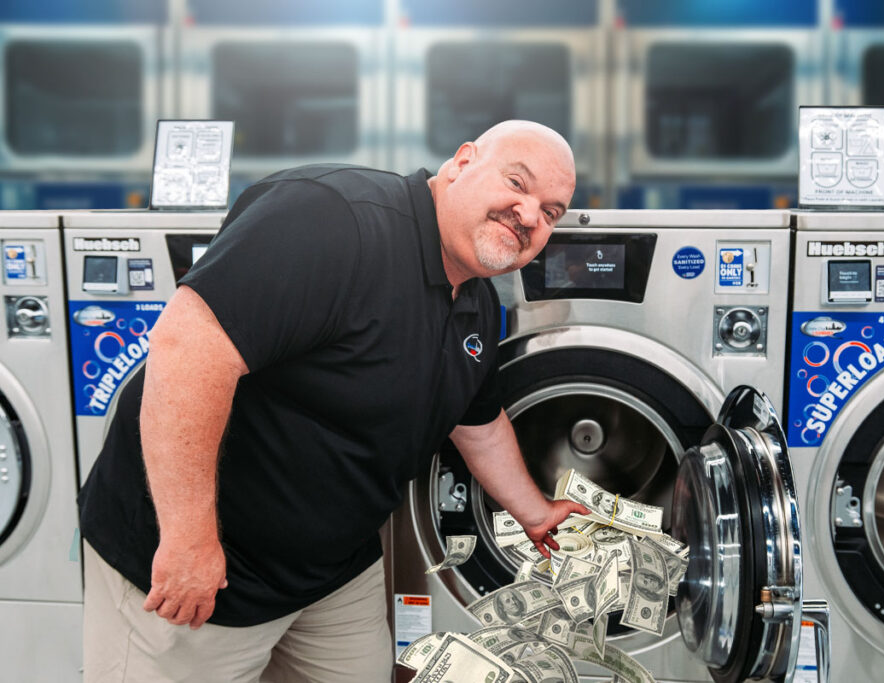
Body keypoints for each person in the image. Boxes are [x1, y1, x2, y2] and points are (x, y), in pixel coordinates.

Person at [77, 120, 589, 682]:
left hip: (333, 574)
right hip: (208, 570)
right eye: (517, 183)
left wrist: (536, 515)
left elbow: (477, 422)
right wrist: (186, 541)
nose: (530, 214)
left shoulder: (476, 303)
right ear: (463, 162)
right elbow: (188, 350)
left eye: (552, 211)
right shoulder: (332, 220)